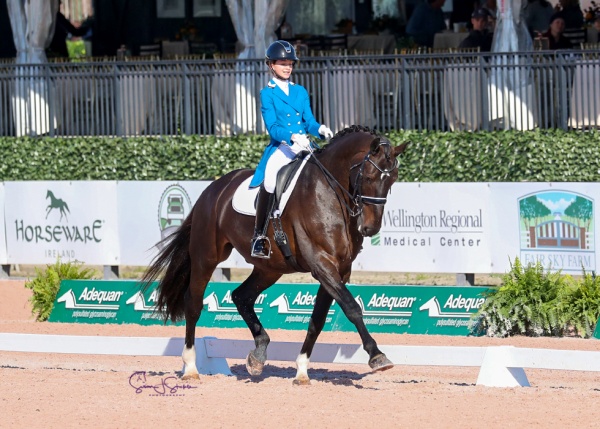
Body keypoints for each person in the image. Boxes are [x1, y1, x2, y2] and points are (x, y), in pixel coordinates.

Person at [249, 40, 333, 259]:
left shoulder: (300, 91)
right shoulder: (267, 94)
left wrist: (320, 128)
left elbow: (309, 122)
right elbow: (273, 128)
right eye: (282, 63)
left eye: (290, 63)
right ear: (271, 65)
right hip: (283, 147)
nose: (287, 67)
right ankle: (259, 237)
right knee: (269, 179)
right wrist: (291, 136)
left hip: (306, 144)